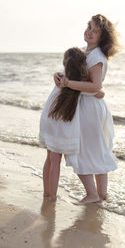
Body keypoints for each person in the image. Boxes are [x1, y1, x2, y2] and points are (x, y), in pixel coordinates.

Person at [55, 14, 121, 204]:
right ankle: (100, 195)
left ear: (103, 36)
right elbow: (82, 78)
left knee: (80, 150)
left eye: (95, 30)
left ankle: (93, 195)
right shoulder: (86, 51)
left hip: (89, 108)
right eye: (88, 27)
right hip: (89, 106)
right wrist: (59, 75)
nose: (89, 32)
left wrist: (67, 83)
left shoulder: (97, 56)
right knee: (96, 150)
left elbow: (95, 86)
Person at [39, 47, 103, 202]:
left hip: (49, 119)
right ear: (83, 65)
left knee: (50, 158)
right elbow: (99, 93)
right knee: (56, 161)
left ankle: (47, 193)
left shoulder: (61, 77)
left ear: (64, 63)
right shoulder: (78, 83)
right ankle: (53, 197)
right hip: (62, 124)